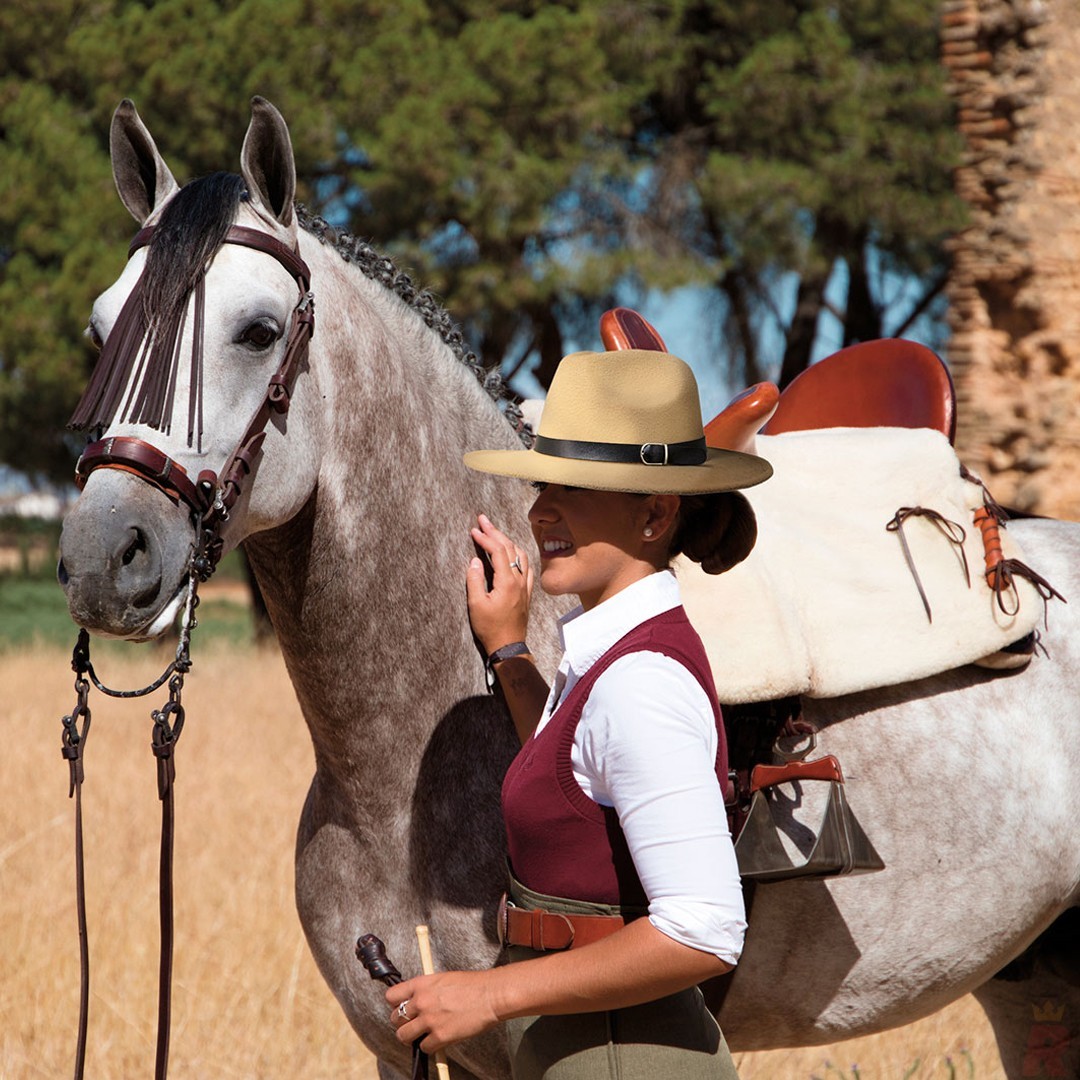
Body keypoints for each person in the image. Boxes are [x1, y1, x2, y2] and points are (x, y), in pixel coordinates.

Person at [386, 348, 772, 1079]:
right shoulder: (614, 659)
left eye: (577, 488)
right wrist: (508, 648)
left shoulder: (640, 683)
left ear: (656, 513)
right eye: (542, 484)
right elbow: (572, 770)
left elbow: (704, 929)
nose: (540, 512)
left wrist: (489, 995)